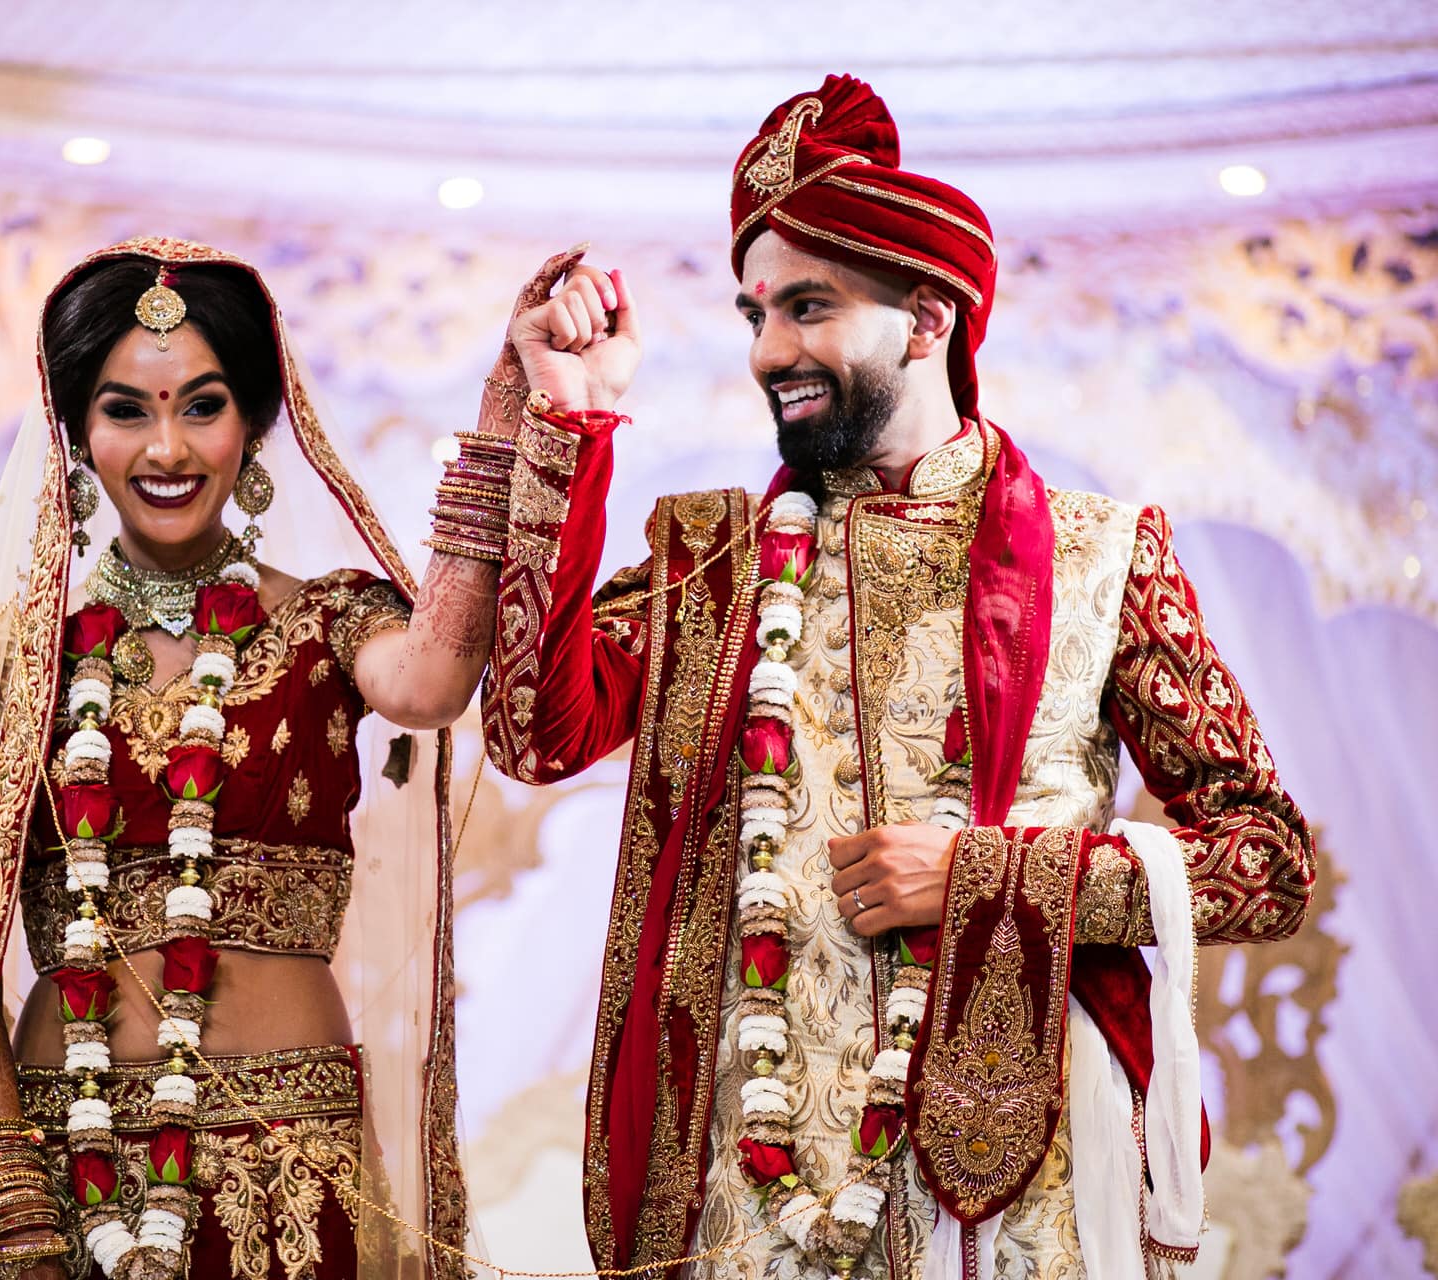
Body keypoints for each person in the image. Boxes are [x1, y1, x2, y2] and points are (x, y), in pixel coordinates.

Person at [480, 76, 1314, 1278]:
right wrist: (570, 427)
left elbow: (1265, 858)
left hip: (1020, 1177)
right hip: (743, 1190)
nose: (771, 351)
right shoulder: (712, 563)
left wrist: (988, 876)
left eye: (808, 307)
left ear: (929, 319)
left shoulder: (1101, 553)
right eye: (756, 312)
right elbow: (531, 730)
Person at [0, 238, 507, 1280]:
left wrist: (506, 429)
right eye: (126, 408)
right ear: (79, 432)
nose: (166, 447)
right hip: (61, 1164)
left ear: (257, 424)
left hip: (289, 1159)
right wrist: (5, 1191)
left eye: (202, 404)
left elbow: (436, 678)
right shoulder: (11, 656)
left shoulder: (329, 620)